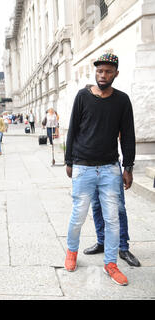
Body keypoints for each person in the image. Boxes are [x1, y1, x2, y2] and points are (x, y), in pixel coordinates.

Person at [64, 53, 135, 286]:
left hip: (109, 169)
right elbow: (73, 129)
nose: (102, 75)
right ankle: (72, 252)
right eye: (99, 71)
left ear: (115, 73)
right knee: (78, 216)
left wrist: (128, 167)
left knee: (113, 219)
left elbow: (128, 136)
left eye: (107, 71)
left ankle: (111, 263)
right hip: (83, 167)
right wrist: (69, 161)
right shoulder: (83, 96)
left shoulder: (122, 101)